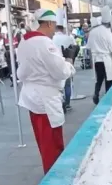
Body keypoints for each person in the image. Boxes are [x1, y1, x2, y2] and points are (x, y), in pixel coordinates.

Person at [17, 9, 76, 174]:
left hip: (32, 97)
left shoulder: (24, 42)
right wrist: (69, 62)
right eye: (54, 25)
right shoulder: (44, 43)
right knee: (52, 144)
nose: (53, 30)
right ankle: (55, 179)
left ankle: (50, 172)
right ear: (49, 23)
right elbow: (60, 72)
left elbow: (21, 72)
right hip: (46, 99)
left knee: (43, 142)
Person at [88, 7, 112, 104]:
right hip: (106, 59)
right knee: (109, 79)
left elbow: (89, 47)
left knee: (99, 79)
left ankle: (96, 94)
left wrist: (90, 61)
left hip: (96, 60)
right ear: (109, 23)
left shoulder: (92, 31)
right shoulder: (107, 32)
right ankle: (108, 98)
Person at [52, 23, 77, 111]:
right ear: (63, 29)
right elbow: (74, 47)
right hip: (67, 61)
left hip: (55, 63)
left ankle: (60, 102)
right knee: (67, 84)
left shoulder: (52, 38)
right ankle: (67, 103)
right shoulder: (68, 38)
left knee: (58, 84)